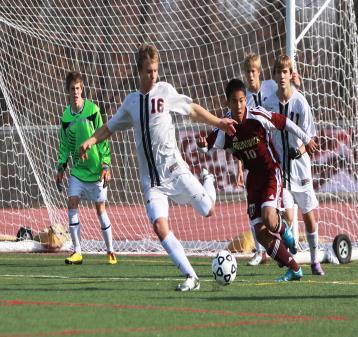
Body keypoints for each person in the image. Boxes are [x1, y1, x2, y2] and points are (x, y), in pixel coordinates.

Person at [79, 44, 237, 291]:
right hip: (152, 182)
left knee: (208, 210)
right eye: (148, 71)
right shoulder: (131, 103)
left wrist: (219, 122)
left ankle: (209, 180)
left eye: (155, 70)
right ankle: (191, 276)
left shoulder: (165, 92)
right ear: (138, 71)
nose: (153, 76)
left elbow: (192, 109)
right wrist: (90, 140)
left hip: (175, 170)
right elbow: (109, 127)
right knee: (159, 226)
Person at [197, 78, 318, 281]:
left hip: (271, 172)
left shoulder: (257, 115)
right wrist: (201, 144)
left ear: (246, 100)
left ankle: (284, 230)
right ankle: (295, 269)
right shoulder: (225, 127)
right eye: (234, 101)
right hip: (253, 180)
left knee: (270, 218)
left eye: (242, 100)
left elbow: (285, 123)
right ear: (228, 103)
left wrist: (306, 139)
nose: (239, 106)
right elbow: (205, 146)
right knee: (261, 233)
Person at [263, 54, 325, 276]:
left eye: (285, 71)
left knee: (309, 216)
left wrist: (298, 150)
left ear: (291, 74)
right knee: (287, 218)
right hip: (281, 172)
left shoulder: (301, 102)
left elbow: (312, 139)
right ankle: (291, 259)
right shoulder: (268, 103)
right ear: (274, 74)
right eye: (278, 71)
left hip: (301, 169)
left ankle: (315, 260)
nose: (281, 76)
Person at [241, 53, 302, 266]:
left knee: (284, 204)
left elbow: (287, 97)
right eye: (247, 72)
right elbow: (241, 135)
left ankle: (287, 243)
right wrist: (240, 166)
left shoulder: (270, 88)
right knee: (255, 210)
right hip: (256, 161)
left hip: (276, 156)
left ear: (259, 73)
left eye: (253, 71)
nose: (250, 76)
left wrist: (296, 83)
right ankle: (261, 252)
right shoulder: (244, 100)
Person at [56, 71, 117, 265]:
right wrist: (61, 167)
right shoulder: (66, 116)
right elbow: (64, 145)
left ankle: (110, 251)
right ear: (68, 91)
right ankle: (77, 251)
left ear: (82, 89)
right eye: (72, 89)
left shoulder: (92, 110)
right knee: (72, 203)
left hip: (97, 170)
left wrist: (106, 165)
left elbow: (103, 136)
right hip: (78, 172)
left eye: (78, 88)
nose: (75, 92)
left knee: (100, 210)